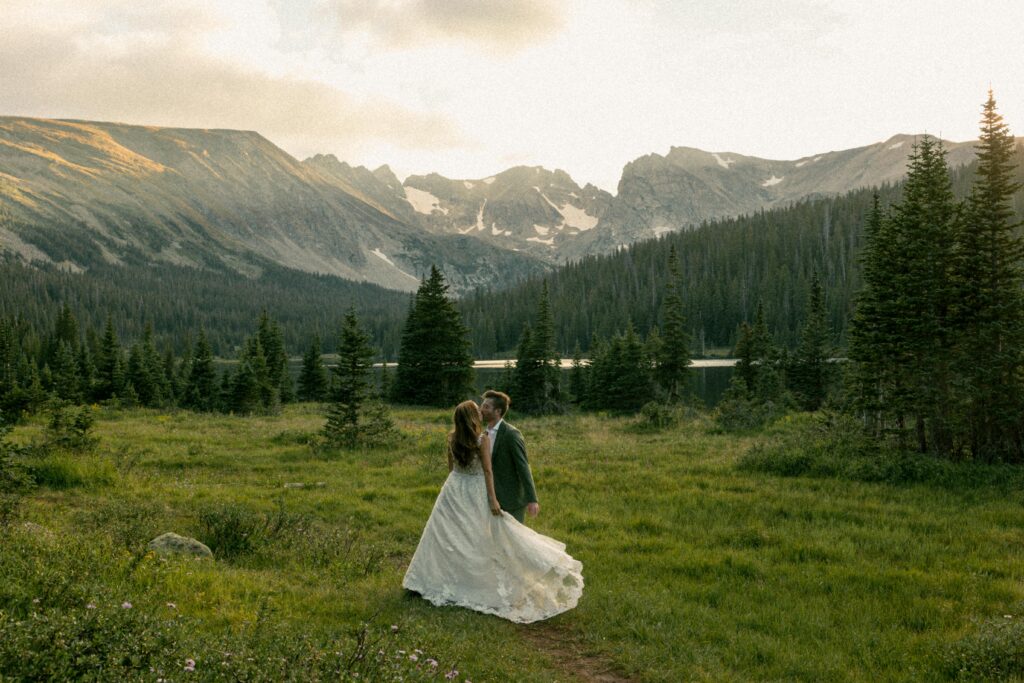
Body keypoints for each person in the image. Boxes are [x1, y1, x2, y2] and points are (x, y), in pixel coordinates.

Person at [402, 400, 583, 623]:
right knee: (476, 536)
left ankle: (432, 580)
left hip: (453, 488)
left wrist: (456, 483)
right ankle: (472, 583)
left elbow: (451, 469)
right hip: (475, 489)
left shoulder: (451, 438)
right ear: (472, 418)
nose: (481, 412)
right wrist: (493, 500)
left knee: (448, 535)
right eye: (477, 411)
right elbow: (488, 471)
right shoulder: (482, 440)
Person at [480, 390, 539, 524]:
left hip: (511, 500)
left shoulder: (511, 434)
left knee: (513, 542)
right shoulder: (483, 434)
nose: (481, 409)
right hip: (490, 498)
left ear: (498, 411)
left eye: (486, 406)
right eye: (482, 405)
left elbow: (523, 466)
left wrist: (532, 499)